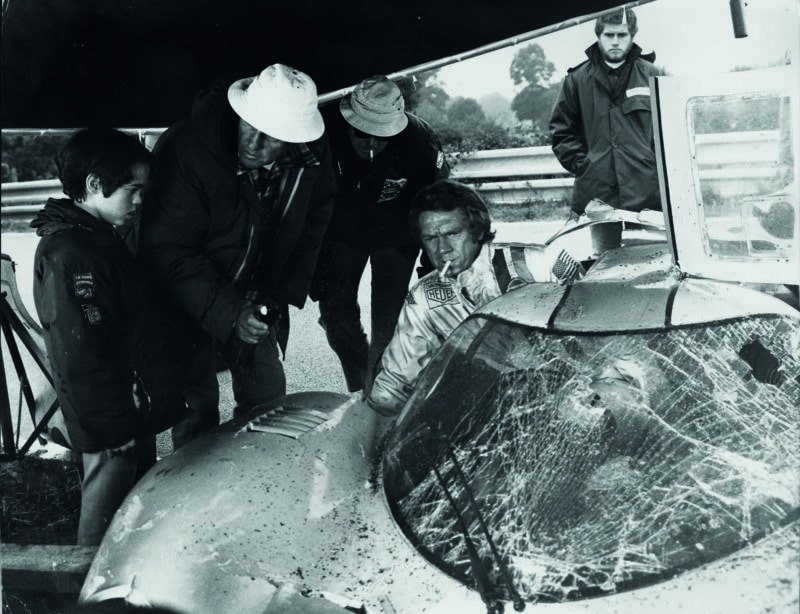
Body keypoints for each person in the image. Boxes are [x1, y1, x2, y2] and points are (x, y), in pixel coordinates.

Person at [140, 64, 337, 446]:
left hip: (255, 291)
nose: (255, 144)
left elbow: (313, 226)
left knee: (267, 397)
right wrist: (231, 313)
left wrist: (276, 296)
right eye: (251, 127)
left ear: (294, 139)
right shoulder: (186, 149)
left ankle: (254, 487)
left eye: (273, 139)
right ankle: (192, 496)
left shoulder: (312, 153)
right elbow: (169, 250)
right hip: (185, 297)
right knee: (196, 409)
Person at [31, 127, 186, 545]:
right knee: (102, 522)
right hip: (110, 422)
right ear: (95, 185)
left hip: (125, 410)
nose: (139, 201)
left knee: (128, 513)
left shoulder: (94, 239)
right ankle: (89, 596)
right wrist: (112, 428)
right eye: (132, 189)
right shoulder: (73, 254)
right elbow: (80, 354)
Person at [312, 75, 449, 394]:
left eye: (381, 138)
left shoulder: (420, 140)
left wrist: (433, 271)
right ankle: (363, 390)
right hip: (342, 236)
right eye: (362, 135)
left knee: (388, 327)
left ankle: (380, 398)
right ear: (348, 120)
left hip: (396, 236)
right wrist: (314, 272)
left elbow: (437, 205)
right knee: (337, 321)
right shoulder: (322, 131)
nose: (371, 145)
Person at [366, 180, 538, 417]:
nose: (443, 249)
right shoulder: (425, 296)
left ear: (477, 230)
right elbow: (394, 383)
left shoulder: (533, 264)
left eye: (453, 233)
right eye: (430, 238)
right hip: (499, 407)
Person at [549, 7, 663, 249]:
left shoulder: (654, 75)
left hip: (647, 193)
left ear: (632, 36)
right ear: (598, 36)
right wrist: (586, 166)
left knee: (649, 263)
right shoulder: (577, 79)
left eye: (622, 35)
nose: (615, 42)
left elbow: (669, 130)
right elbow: (562, 133)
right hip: (598, 197)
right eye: (608, 35)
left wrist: (654, 166)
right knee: (603, 266)